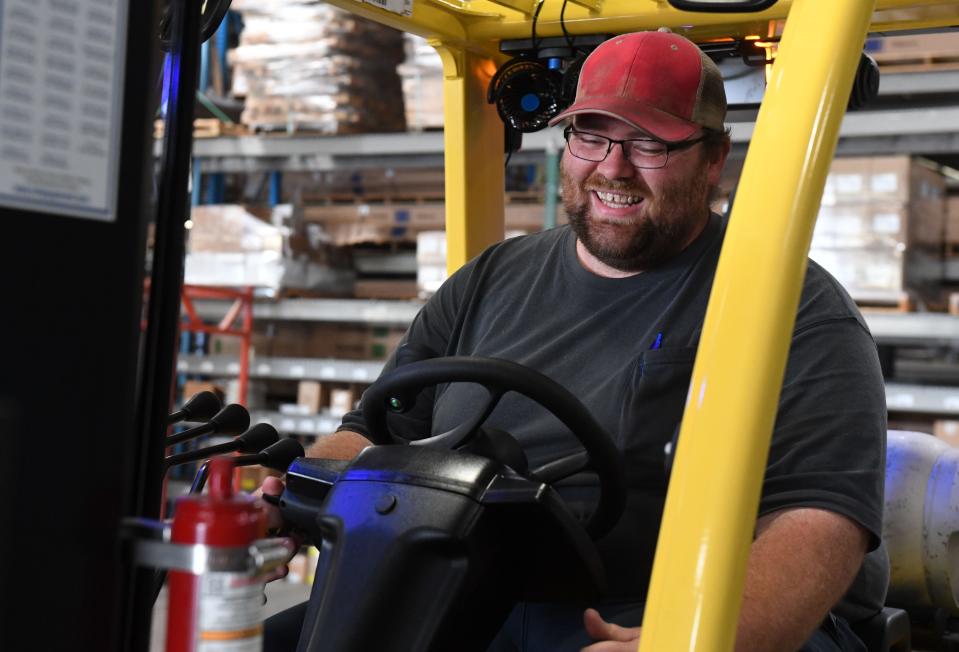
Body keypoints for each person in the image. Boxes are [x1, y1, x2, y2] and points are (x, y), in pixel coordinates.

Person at [261, 30, 888, 652]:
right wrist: (291, 488)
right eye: (591, 135)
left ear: (714, 157)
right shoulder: (489, 279)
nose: (613, 168)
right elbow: (373, 431)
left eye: (650, 144)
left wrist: (695, 640)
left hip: (666, 610)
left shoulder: (795, 304)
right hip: (465, 589)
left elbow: (821, 519)